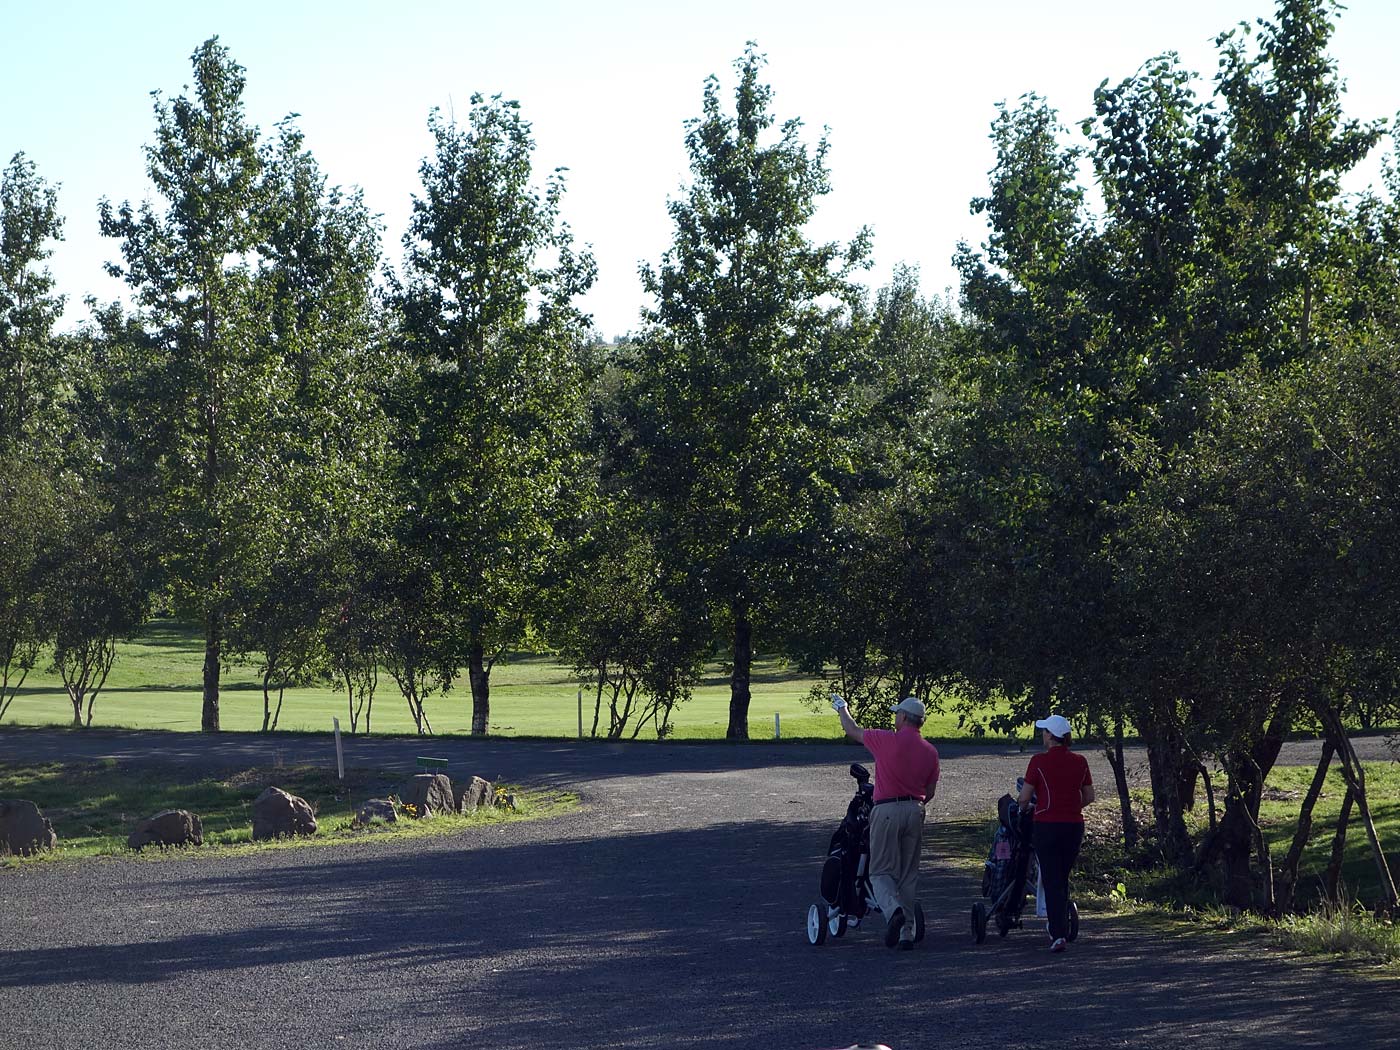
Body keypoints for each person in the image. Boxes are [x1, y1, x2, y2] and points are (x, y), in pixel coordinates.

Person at [830, 694, 940, 950]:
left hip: (886, 809)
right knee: (908, 875)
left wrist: (842, 708)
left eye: (896, 715)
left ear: (903, 717)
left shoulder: (885, 739)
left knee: (879, 871)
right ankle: (907, 934)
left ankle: (894, 911)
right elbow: (930, 791)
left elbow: (852, 730)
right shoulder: (931, 751)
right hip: (915, 809)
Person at [1017, 714, 1095, 953]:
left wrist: (1025, 808)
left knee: (1051, 877)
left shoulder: (1039, 761)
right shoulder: (1080, 761)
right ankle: (1060, 921)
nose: (1043, 735)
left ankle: (1058, 932)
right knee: (1061, 876)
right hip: (1073, 825)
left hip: (1047, 824)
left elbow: (1024, 797)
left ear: (1051, 735)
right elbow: (1089, 796)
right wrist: (1071, 807)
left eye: (1044, 731)